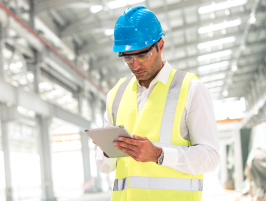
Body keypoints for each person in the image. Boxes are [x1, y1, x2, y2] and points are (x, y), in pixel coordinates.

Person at [94, 6, 220, 201]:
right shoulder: (115, 94)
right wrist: (107, 150)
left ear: (160, 45)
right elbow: (104, 167)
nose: (135, 65)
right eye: (127, 57)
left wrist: (159, 155)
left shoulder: (191, 90)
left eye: (143, 55)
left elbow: (211, 158)